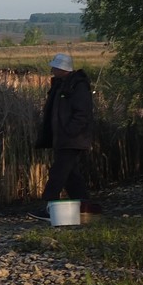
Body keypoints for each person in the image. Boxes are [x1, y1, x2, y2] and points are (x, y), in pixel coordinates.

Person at [30, 53, 93, 220]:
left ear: (62, 69)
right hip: (65, 138)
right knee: (71, 174)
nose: (51, 70)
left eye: (54, 67)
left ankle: (50, 208)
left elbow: (82, 113)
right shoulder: (62, 85)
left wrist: (70, 131)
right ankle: (84, 207)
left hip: (72, 138)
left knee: (58, 172)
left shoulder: (77, 86)